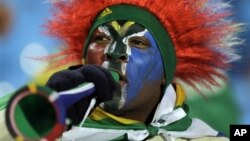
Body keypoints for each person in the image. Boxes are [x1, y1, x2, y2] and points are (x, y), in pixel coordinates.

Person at [0, 0, 243, 140]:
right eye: (102, 39)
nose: (115, 52)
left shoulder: (202, 133)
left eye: (138, 42)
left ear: (165, 76)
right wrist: (37, 115)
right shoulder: (51, 115)